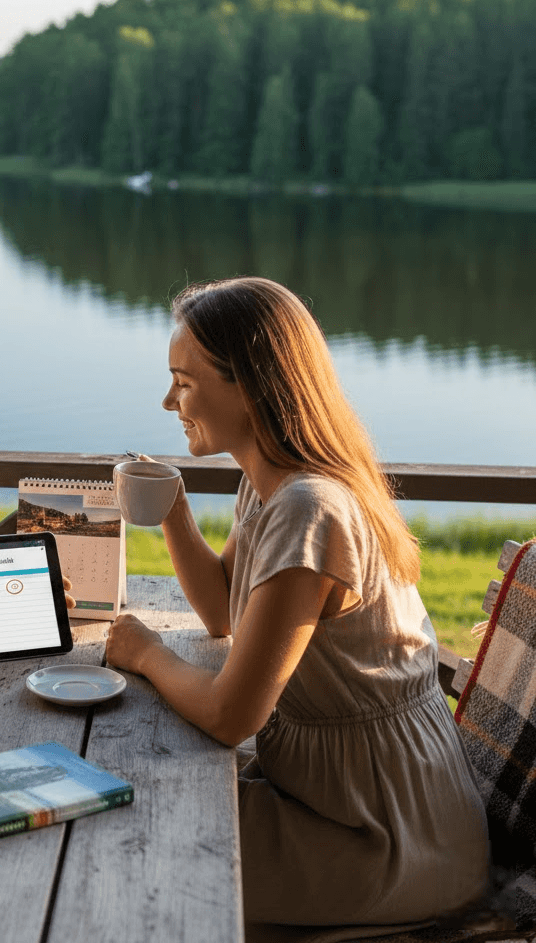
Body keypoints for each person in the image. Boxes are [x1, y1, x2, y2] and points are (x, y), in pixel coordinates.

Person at [105, 277, 489, 941]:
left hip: (385, 835)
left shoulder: (310, 508)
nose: (169, 401)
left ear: (250, 388)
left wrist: (147, 654)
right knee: (132, 794)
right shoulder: (271, 483)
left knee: (137, 841)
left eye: (184, 383)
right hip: (341, 794)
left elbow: (232, 715)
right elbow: (224, 612)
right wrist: (173, 510)